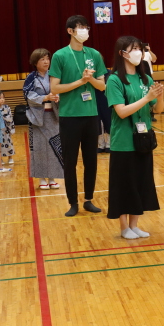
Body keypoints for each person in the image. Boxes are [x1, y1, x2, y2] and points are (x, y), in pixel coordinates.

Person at [105, 36, 164, 239]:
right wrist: (146, 98)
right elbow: (121, 111)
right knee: (124, 185)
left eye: (139, 48)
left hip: (143, 140)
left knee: (140, 182)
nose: (138, 52)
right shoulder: (114, 80)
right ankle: (123, 228)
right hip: (123, 142)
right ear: (122, 53)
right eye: (134, 49)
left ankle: (134, 224)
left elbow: (157, 109)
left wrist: (159, 96)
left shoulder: (145, 79)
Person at [49, 15, 106, 216]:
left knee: (91, 160)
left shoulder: (94, 54)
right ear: (70, 31)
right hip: (69, 116)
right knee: (70, 161)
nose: (85, 31)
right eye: (80, 27)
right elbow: (54, 88)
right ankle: (72, 202)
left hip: (91, 115)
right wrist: (80, 82)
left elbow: (102, 85)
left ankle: (88, 199)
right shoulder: (60, 55)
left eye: (86, 27)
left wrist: (90, 81)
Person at [23, 48, 63, 190]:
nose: (46, 62)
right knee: (39, 148)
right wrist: (45, 97)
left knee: (54, 147)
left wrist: (58, 97)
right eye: (42, 59)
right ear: (35, 62)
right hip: (37, 117)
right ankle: (41, 178)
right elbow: (28, 96)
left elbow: (60, 90)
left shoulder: (54, 76)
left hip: (53, 116)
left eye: (47, 58)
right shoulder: (31, 78)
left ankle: (52, 177)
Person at [0, 91, 15, 165]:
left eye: (3, 98)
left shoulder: (7, 107)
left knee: (8, 143)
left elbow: (10, 118)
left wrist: (11, 129)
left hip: (6, 129)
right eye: (0, 98)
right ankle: (0, 159)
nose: (2, 99)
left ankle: (10, 158)